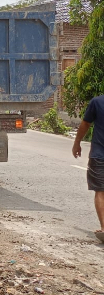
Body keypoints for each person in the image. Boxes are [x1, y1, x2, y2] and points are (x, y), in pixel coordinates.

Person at [72, 94, 104, 243]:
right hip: (99, 155)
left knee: (100, 192)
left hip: (99, 155)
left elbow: (85, 124)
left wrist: (77, 143)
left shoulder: (97, 102)